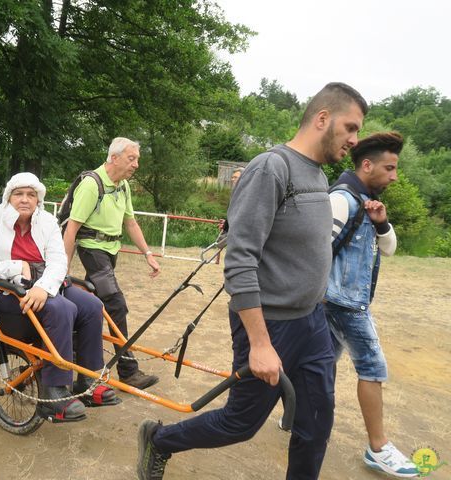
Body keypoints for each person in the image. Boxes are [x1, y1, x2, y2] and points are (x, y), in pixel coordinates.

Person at [136, 82, 368, 480]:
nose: (354, 139)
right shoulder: (271, 168)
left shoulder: (315, 173)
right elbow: (240, 261)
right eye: (350, 127)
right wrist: (260, 344)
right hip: (271, 326)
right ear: (322, 118)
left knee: (315, 423)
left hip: (312, 322)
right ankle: (160, 439)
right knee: (239, 423)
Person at [0, 172, 120, 421]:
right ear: (9, 196)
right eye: (19, 194)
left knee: (92, 305)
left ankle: (87, 379)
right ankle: (54, 391)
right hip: (6, 290)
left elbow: (58, 260)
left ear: (38, 199)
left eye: (31, 194)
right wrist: (17, 267)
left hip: (44, 284)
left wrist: (43, 287)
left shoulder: (48, 221)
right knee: (62, 309)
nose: (25, 199)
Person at [325, 132, 418, 477]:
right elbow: (314, 254)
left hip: (341, 302)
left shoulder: (367, 200)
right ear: (367, 165)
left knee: (320, 364)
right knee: (373, 368)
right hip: (343, 305)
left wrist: (382, 222)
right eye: (389, 168)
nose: (394, 176)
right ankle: (377, 447)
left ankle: (296, 416)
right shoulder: (342, 199)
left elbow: (390, 248)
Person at [63, 137, 160, 390]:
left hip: (111, 250)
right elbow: (71, 228)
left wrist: (148, 253)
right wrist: (61, 269)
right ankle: (128, 370)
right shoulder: (91, 184)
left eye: (137, 159)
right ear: (114, 158)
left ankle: (73, 349)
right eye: (132, 158)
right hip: (92, 249)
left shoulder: (123, 186)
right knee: (116, 305)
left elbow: (131, 222)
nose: (136, 164)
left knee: (91, 301)